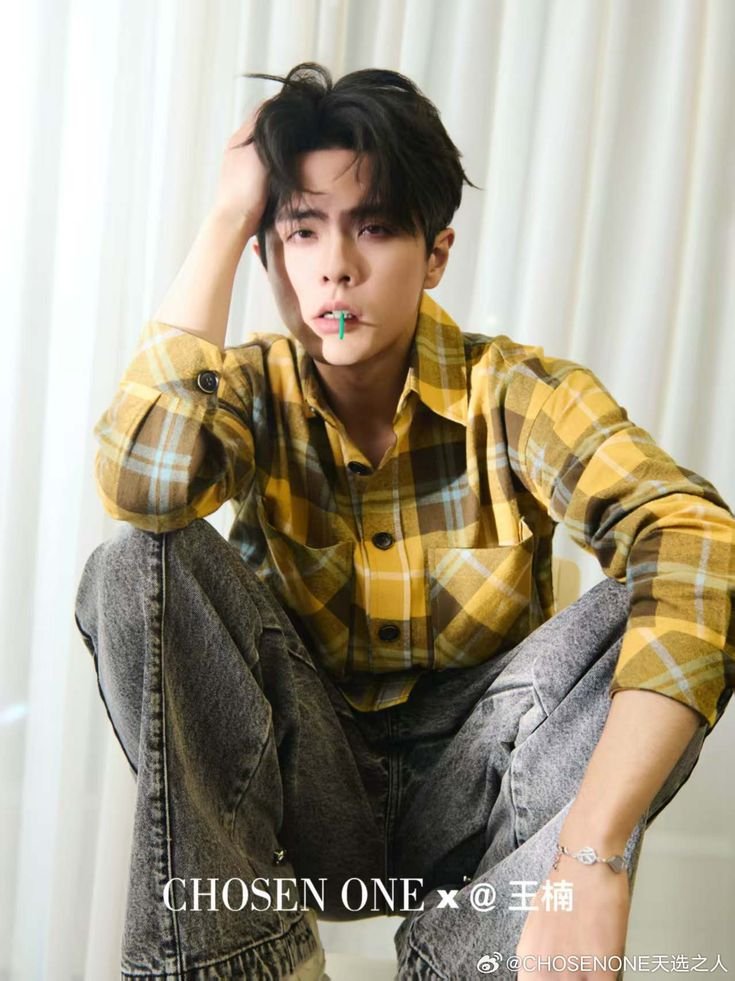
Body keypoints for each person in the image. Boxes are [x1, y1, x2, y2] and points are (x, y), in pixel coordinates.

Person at [74, 62, 734, 981]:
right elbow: (140, 488)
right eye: (302, 230)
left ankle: (481, 956)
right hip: (299, 795)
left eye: (375, 227)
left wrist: (593, 853)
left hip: (478, 807)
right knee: (135, 562)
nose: (336, 265)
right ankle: (244, 966)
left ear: (435, 255)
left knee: (678, 575)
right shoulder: (250, 390)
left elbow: (694, 537)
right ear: (269, 255)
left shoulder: (516, 392)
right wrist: (228, 216)